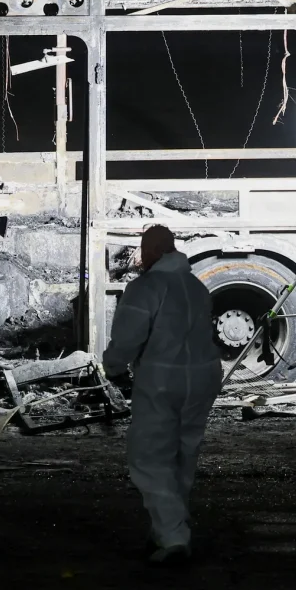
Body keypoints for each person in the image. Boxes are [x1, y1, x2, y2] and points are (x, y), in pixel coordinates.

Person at [102, 224, 221, 566]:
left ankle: (172, 537)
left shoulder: (146, 288)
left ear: (152, 250)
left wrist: (114, 369)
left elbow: (127, 339)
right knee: (184, 454)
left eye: (143, 248)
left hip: (161, 380)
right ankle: (168, 527)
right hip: (202, 379)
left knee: (150, 458)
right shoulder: (196, 288)